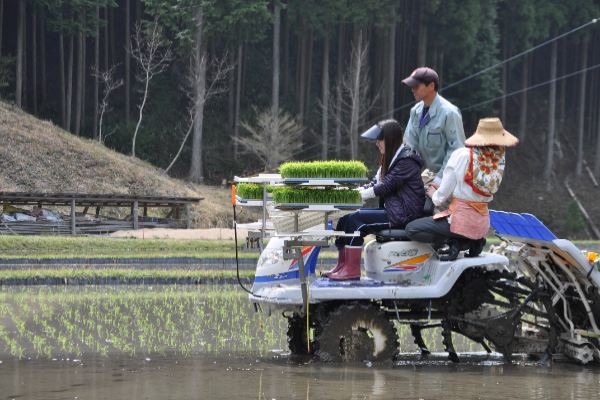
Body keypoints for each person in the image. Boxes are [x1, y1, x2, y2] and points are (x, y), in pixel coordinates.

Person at [323, 119, 425, 281]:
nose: (377, 143)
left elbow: (384, 187)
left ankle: (352, 269)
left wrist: (357, 196)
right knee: (346, 217)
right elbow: (374, 184)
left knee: (356, 220)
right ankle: (342, 265)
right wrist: (350, 194)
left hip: (404, 216)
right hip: (394, 211)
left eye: (380, 139)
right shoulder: (391, 158)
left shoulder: (406, 161)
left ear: (390, 139)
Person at [405, 118, 519, 261]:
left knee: (411, 229)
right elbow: (474, 191)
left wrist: (434, 194)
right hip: (482, 224)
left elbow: (441, 198)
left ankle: (457, 242)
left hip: (461, 221)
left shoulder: (462, 155)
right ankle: (472, 240)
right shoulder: (498, 160)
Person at [401, 67, 466, 191]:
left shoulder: (450, 113)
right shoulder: (416, 111)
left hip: (451, 176)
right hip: (430, 174)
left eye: (416, 85)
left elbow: (457, 151)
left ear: (431, 86)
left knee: (434, 206)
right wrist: (403, 174)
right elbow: (410, 147)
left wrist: (441, 179)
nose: (413, 89)